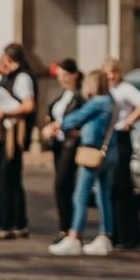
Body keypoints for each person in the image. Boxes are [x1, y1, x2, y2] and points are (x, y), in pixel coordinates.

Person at [45, 69, 116, 256]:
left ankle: (75, 236)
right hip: (108, 151)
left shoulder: (98, 102)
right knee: (103, 195)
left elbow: (75, 118)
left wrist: (57, 125)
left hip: (92, 151)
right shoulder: (111, 101)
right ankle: (105, 236)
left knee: (81, 194)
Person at [0, 43, 35, 240]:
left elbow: (28, 105)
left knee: (6, 178)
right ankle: (18, 222)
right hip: (10, 132)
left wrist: (5, 112)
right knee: (12, 178)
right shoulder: (13, 77)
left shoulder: (22, 78)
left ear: (9, 58)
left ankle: (7, 224)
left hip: (13, 134)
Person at [102, 60, 140, 249]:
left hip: (121, 136)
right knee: (112, 186)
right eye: (108, 73)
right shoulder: (108, 90)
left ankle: (128, 234)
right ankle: (115, 231)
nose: (111, 76)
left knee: (121, 184)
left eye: (114, 72)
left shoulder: (125, 89)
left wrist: (129, 120)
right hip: (110, 137)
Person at [45, 60, 86, 240]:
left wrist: (60, 127)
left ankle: (69, 229)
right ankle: (65, 227)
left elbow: (81, 119)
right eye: (59, 76)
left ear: (75, 75)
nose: (62, 79)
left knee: (63, 184)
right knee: (63, 186)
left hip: (72, 144)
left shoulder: (80, 96)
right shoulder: (64, 95)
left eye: (65, 75)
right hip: (59, 144)